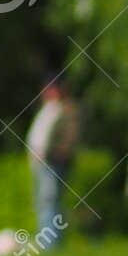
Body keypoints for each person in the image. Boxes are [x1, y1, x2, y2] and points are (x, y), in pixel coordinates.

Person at [26, 77, 80, 245]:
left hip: (52, 163)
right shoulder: (48, 109)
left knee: (50, 200)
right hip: (41, 163)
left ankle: (50, 243)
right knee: (43, 201)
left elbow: (68, 139)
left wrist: (57, 154)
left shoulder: (65, 109)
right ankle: (46, 241)